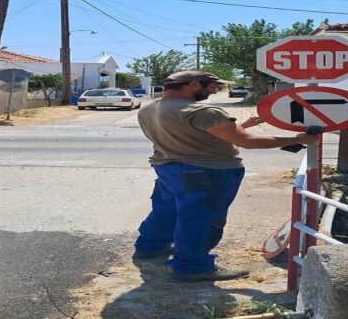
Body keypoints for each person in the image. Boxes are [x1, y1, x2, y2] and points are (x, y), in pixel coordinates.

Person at [134, 70, 319, 282]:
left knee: (166, 211)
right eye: (211, 85)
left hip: (168, 168)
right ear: (194, 84)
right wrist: (299, 139)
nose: (215, 89)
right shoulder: (203, 112)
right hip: (207, 173)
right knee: (201, 220)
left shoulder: (149, 109)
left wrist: (244, 125)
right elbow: (247, 142)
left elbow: (194, 135)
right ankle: (192, 267)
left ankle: (149, 247)